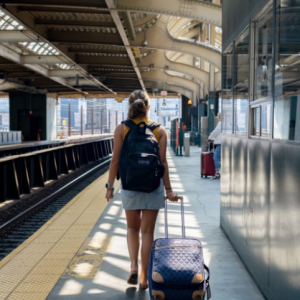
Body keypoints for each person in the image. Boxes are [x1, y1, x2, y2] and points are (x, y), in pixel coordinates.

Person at [105, 90, 179, 289]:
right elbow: (162, 162)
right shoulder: (160, 130)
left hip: (130, 185)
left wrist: (110, 187)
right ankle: (145, 278)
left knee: (132, 228)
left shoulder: (122, 129)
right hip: (153, 186)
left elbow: (115, 161)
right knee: (147, 232)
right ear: (148, 107)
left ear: (129, 106)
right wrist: (169, 190)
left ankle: (133, 268)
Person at [208, 112, 221, 179]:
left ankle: (217, 173)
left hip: (221, 144)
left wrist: (209, 138)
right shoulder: (228, 123)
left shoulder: (221, 123)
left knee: (216, 157)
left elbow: (215, 132)